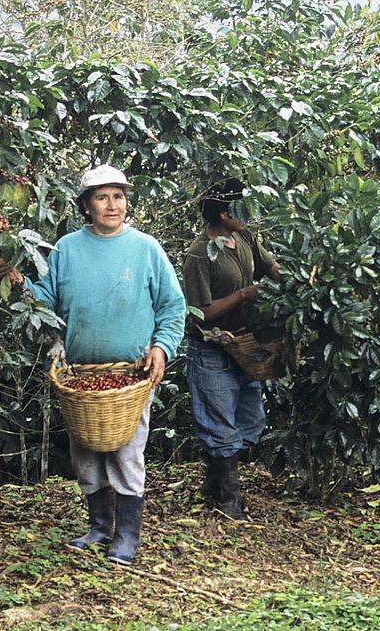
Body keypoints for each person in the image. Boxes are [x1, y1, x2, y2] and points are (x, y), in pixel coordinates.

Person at [16, 164, 186, 564]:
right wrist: (15, 281)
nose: (112, 205)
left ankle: (127, 534)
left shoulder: (146, 249)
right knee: (86, 453)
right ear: (87, 205)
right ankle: (100, 524)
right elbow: (43, 302)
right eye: (102, 197)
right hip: (79, 376)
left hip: (131, 375)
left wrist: (161, 348)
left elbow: (172, 306)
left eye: (119, 196)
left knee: (127, 452)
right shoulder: (67, 249)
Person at [180, 177, 280, 520]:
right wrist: (242, 295)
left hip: (245, 344)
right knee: (220, 424)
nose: (246, 214)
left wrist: (303, 280)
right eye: (240, 208)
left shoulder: (244, 236)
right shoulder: (199, 255)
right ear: (223, 214)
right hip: (212, 348)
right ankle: (228, 500)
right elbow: (199, 314)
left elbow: (270, 267)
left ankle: (212, 482)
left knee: (252, 421)